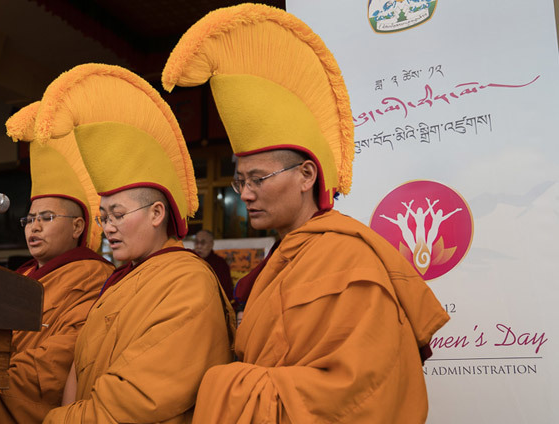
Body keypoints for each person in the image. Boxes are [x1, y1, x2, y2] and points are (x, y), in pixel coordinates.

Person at [163, 4, 450, 423]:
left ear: (306, 175)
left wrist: (220, 384)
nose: (246, 194)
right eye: (240, 181)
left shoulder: (349, 259)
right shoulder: (278, 261)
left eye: (258, 178)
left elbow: (361, 393)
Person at [31, 63, 234, 424]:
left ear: (157, 213)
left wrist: (59, 420)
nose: (108, 228)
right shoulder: (120, 280)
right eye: (104, 216)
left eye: (118, 215)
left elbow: (140, 400)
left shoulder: (187, 281)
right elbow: (79, 368)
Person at [0, 102, 114, 423]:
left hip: (11, 386)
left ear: (77, 226)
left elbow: (67, 352)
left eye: (46, 217)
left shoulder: (94, 276)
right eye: (29, 219)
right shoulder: (23, 274)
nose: (34, 227)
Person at [193, 229, 234, 304]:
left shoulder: (220, 264)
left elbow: (226, 292)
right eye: (196, 242)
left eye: (203, 243)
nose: (199, 246)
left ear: (211, 244)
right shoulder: (189, 260)